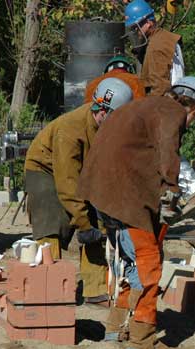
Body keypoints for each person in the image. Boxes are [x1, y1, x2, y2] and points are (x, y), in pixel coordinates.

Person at [78, 76, 195, 349]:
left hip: (102, 193)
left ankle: (116, 328)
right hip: (126, 198)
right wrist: (172, 190)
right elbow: (167, 149)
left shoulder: (144, 106)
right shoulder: (172, 112)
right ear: (194, 108)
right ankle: (142, 339)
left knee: (128, 261)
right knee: (148, 264)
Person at [24, 78, 134, 305]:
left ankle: (95, 291)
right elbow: (67, 184)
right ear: (102, 110)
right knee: (51, 224)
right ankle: (50, 288)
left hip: (80, 169)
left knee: (97, 223)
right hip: (45, 168)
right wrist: (82, 224)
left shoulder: (108, 127)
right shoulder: (70, 131)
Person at [124, 0, 183, 97]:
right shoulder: (165, 37)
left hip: (165, 105)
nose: (135, 32)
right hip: (176, 98)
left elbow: (160, 88)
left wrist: (149, 109)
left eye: (136, 27)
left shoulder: (156, 47)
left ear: (148, 23)